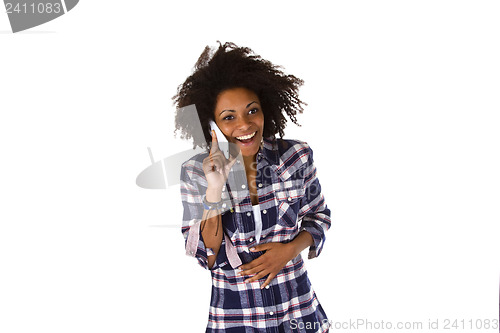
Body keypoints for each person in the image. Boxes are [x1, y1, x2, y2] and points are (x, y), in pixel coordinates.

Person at [174, 42, 331, 333]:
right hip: (237, 320)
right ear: (212, 125)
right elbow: (208, 255)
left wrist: (289, 250)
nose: (245, 125)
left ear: (265, 109)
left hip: (298, 311)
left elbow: (319, 218)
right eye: (229, 117)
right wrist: (215, 188)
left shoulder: (295, 157)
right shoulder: (196, 172)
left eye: (252, 111)